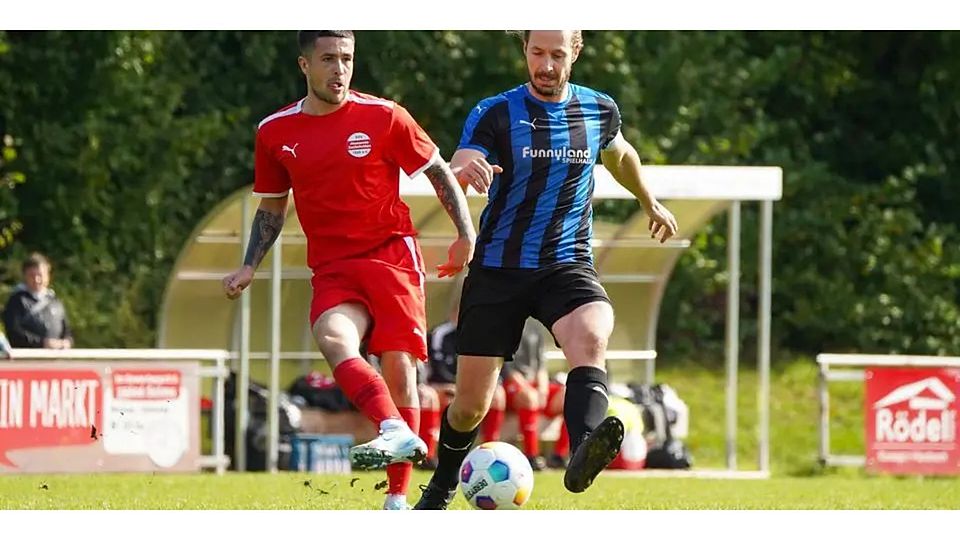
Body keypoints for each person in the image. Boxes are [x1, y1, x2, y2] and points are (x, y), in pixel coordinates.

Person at [415, 30, 678, 509]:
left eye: (557, 54)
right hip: (499, 267)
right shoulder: (496, 112)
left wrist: (648, 200)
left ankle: (584, 447)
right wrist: (465, 172)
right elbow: (463, 160)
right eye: (537, 53)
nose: (546, 65)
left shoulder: (599, 109)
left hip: (565, 260)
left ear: (575, 52)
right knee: (470, 405)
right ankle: (441, 485)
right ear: (525, 50)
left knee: (592, 331)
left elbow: (620, 154)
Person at [222, 31, 475, 510]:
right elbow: (272, 208)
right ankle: (393, 427)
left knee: (400, 368)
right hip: (333, 266)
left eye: (346, 59)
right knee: (332, 338)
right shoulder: (274, 132)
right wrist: (249, 265)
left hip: (391, 255)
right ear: (305, 65)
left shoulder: (385, 116)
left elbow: (439, 171)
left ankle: (397, 500)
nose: (339, 70)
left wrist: (466, 234)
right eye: (328, 59)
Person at [2, 253, 74, 350]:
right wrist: (42, 343)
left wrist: (67, 342)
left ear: (47, 275)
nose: (36, 280)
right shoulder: (17, 301)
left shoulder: (55, 301)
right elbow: (14, 332)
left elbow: (67, 331)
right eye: (32, 276)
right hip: (27, 357)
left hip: (56, 357)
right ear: (25, 276)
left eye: (40, 275)